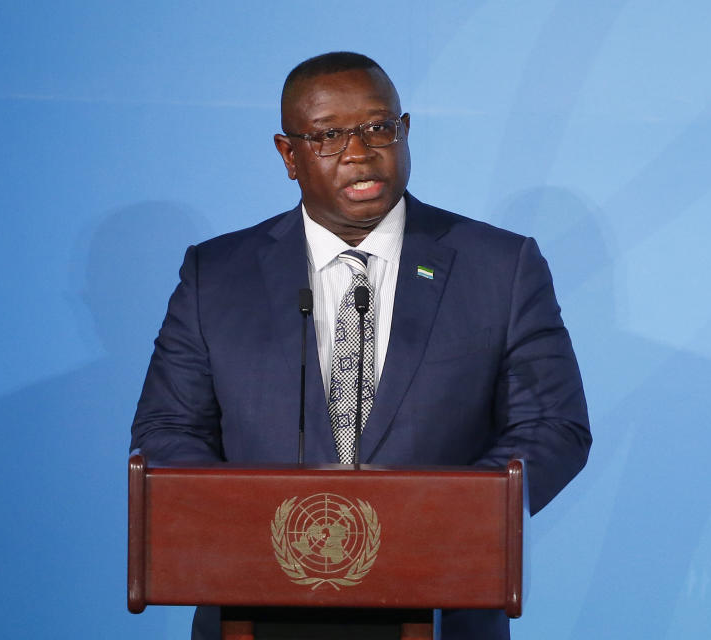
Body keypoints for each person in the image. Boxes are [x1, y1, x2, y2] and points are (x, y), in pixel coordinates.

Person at [131, 51, 591, 640]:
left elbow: (553, 427)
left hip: (441, 609)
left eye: (378, 128)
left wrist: (445, 517)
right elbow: (167, 431)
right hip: (255, 611)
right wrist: (256, 522)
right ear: (288, 155)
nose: (359, 152)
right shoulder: (217, 275)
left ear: (405, 132)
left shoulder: (499, 267)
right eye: (327, 136)